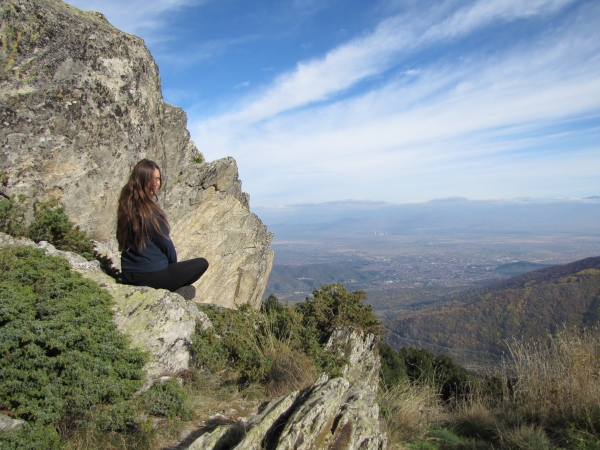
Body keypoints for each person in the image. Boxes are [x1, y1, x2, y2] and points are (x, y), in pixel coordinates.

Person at [117, 159, 208, 294]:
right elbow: (165, 243)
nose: (155, 183)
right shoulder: (149, 210)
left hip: (129, 274)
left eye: (158, 179)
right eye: (151, 179)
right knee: (202, 263)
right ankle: (174, 292)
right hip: (151, 276)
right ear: (141, 179)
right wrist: (172, 265)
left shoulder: (126, 206)